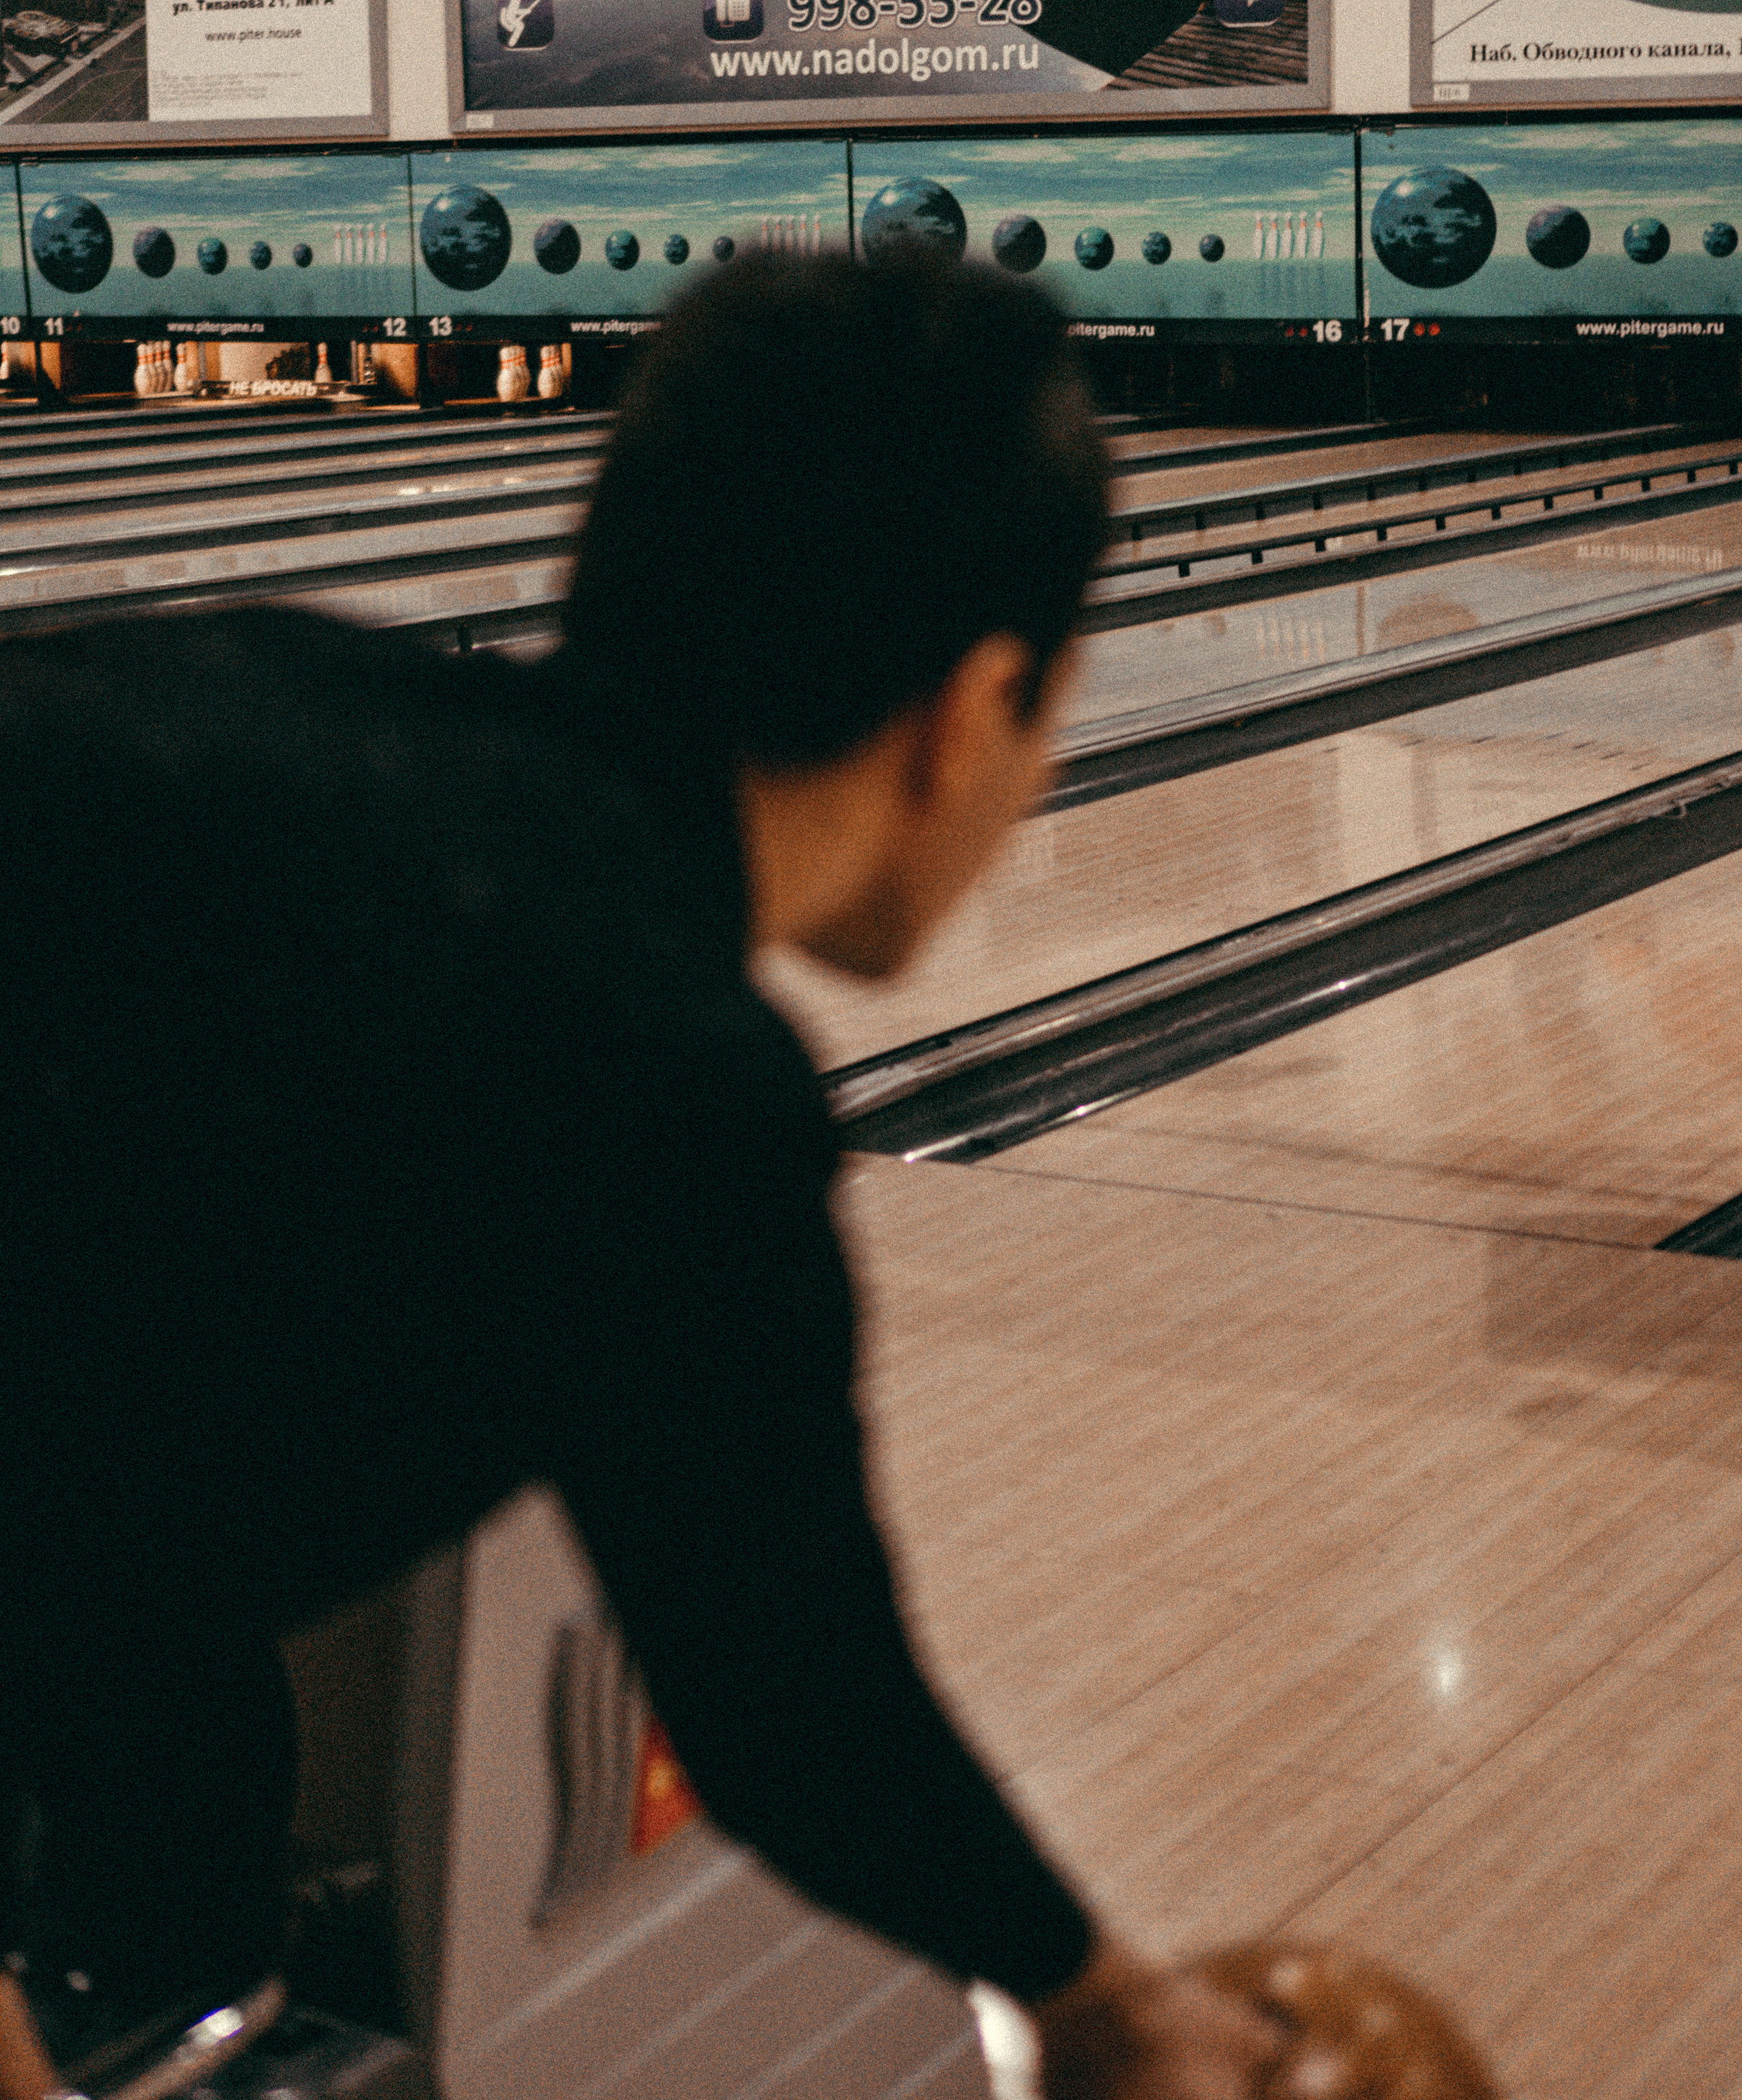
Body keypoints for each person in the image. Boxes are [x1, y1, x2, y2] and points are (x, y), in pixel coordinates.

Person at [0, 253, 1277, 2100]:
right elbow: (789, 1687)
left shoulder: (288, 688)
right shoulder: (666, 1078)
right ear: (973, 702)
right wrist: (1099, 2003)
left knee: (189, 1747)